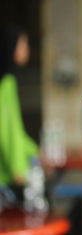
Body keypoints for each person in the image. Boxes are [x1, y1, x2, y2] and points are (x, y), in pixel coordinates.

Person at [0, 24, 38, 202]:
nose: (26, 50)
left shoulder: (9, 80)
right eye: (23, 44)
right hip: (5, 175)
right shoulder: (4, 83)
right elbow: (5, 131)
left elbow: (15, 130)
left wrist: (36, 153)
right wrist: (17, 168)